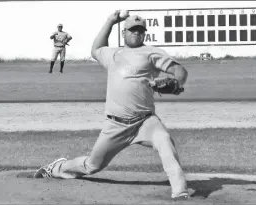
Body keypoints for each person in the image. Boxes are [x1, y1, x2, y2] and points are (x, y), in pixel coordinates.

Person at [34, 11, 189, 200]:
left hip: (145, 121)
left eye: (140, 30)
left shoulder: (151, 53)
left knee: (164, 140)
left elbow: (180, 71)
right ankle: (57, 168)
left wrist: (177, 83)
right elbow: (96, 49)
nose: (137, 33)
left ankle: (180, 192)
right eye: (132, 30)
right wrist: (111, 20)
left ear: (145, 34)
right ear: (123, 33)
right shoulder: (112, 54)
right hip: (115, 125)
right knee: (92, 165)